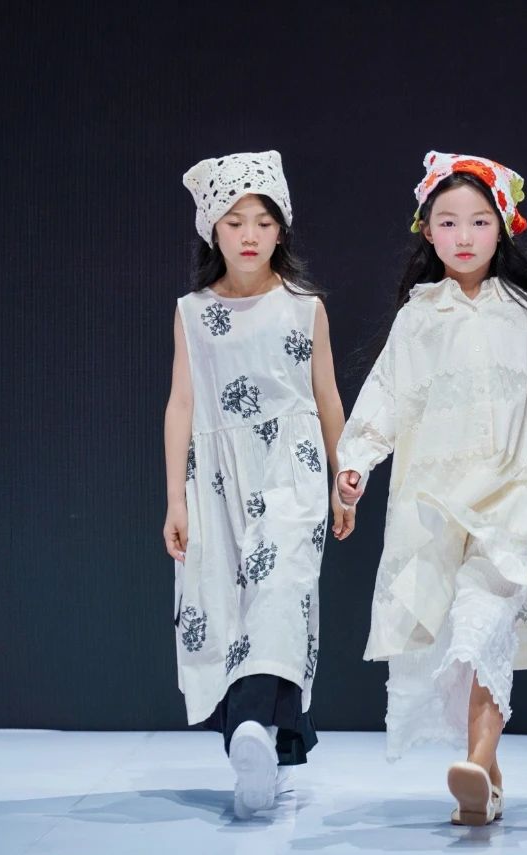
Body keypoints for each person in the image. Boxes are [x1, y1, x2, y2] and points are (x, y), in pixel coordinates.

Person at [336, 151, 527, 826]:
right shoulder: (419, 317)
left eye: (479, 221)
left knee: (484, 626)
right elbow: (387, 394)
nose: (464, 235)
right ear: (427, 231)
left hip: (511, 499)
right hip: (437, 503)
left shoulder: (520, 314)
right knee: (458, 641)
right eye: (448, 222)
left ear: (501, 228)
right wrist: (357, 460)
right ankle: (487, 779)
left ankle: (477, 761)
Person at [164, 150, 351, 818]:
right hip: (217, 478)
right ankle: (260, 742)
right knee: (228, 604)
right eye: (234, 220)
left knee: (281, 591)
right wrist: (174, 498)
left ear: (281, 230)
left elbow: (327, 397)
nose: (249, 234)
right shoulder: (192, 312)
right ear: (211, 229)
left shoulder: (304, 308)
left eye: (263, 221)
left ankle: (250, 727)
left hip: (292, 469)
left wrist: (343, 479)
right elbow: (181, 404)